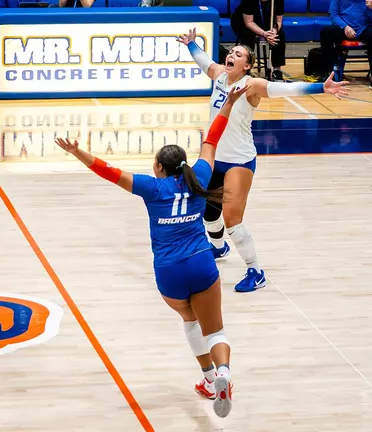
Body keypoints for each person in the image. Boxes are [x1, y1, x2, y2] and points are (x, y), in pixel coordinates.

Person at [55, 85, 250, 419]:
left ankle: (206, 378)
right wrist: (229, 102)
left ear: (159, 166)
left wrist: (78, 152)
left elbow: (108, 171)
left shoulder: (151, 187)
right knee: (215, 330)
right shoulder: (200, 175)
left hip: (169, 272)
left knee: (190, 321)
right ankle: (224, 374)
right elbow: (212, 138)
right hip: (202, 263)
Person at [177, 29, 349, 293]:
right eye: (231, 52)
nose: (231, 55)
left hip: (239, 160)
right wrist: (191, 45)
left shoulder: (252, 86)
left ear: (247, 65)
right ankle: (219, 247)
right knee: (209, 214)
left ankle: (255, 271)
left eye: (238, 54)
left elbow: (284, 88)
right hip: (214, 157)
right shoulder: (219, 75)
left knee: (232, 219)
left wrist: (321, 88)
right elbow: (203, 60)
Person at [319, 0, 372, 86]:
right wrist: (345, 26)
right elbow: (334, 15)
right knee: (325, 32)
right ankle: (329, 72)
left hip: (363, 28)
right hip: (344, 28)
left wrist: (371, 9)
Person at [231, 0, 287, 81]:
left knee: (279, 35)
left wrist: (273, 32)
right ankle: (245, 69)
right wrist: (264, 34)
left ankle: (277, 70)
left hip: (266, 20)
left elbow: (278, 21)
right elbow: (249, 23)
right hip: (243, 22)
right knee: (248, 35)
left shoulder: (278, 1)